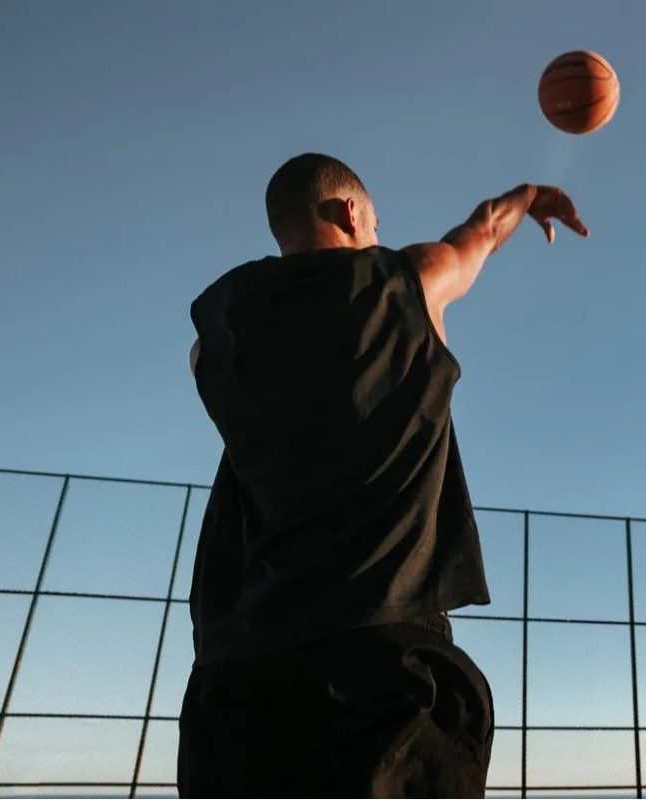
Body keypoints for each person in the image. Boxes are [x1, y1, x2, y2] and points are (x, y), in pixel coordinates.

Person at [177, 152, 588, 798]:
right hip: (377, 660)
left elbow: (218, 368)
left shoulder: (214, 342)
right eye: (373, 221)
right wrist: (526, 194)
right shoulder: (407, 280)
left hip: (235, 673)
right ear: (348, 212)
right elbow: (481, 230)